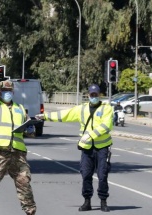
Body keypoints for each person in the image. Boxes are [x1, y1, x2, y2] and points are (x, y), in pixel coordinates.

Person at [36, 84, 113, 212]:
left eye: (96, 94)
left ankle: (103, 201)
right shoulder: (82, 109)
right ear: (88, 95)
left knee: (102, 175)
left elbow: (107, 126)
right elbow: (64, 115)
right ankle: (87, 201)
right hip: (87, 148)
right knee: (86, 174)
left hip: (102, 147)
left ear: (100, 95)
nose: (94, 97)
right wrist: (46, 116)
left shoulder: (106, 108)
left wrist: (90, 135)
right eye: (92, 94)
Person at [0, 51, 37, 215]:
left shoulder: (19, 108)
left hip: (17, 153)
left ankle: (30, 211)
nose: (7, 93)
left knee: (24, 182)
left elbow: (27, 129)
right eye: (4, 90)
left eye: (10, 90)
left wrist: (31, 129)